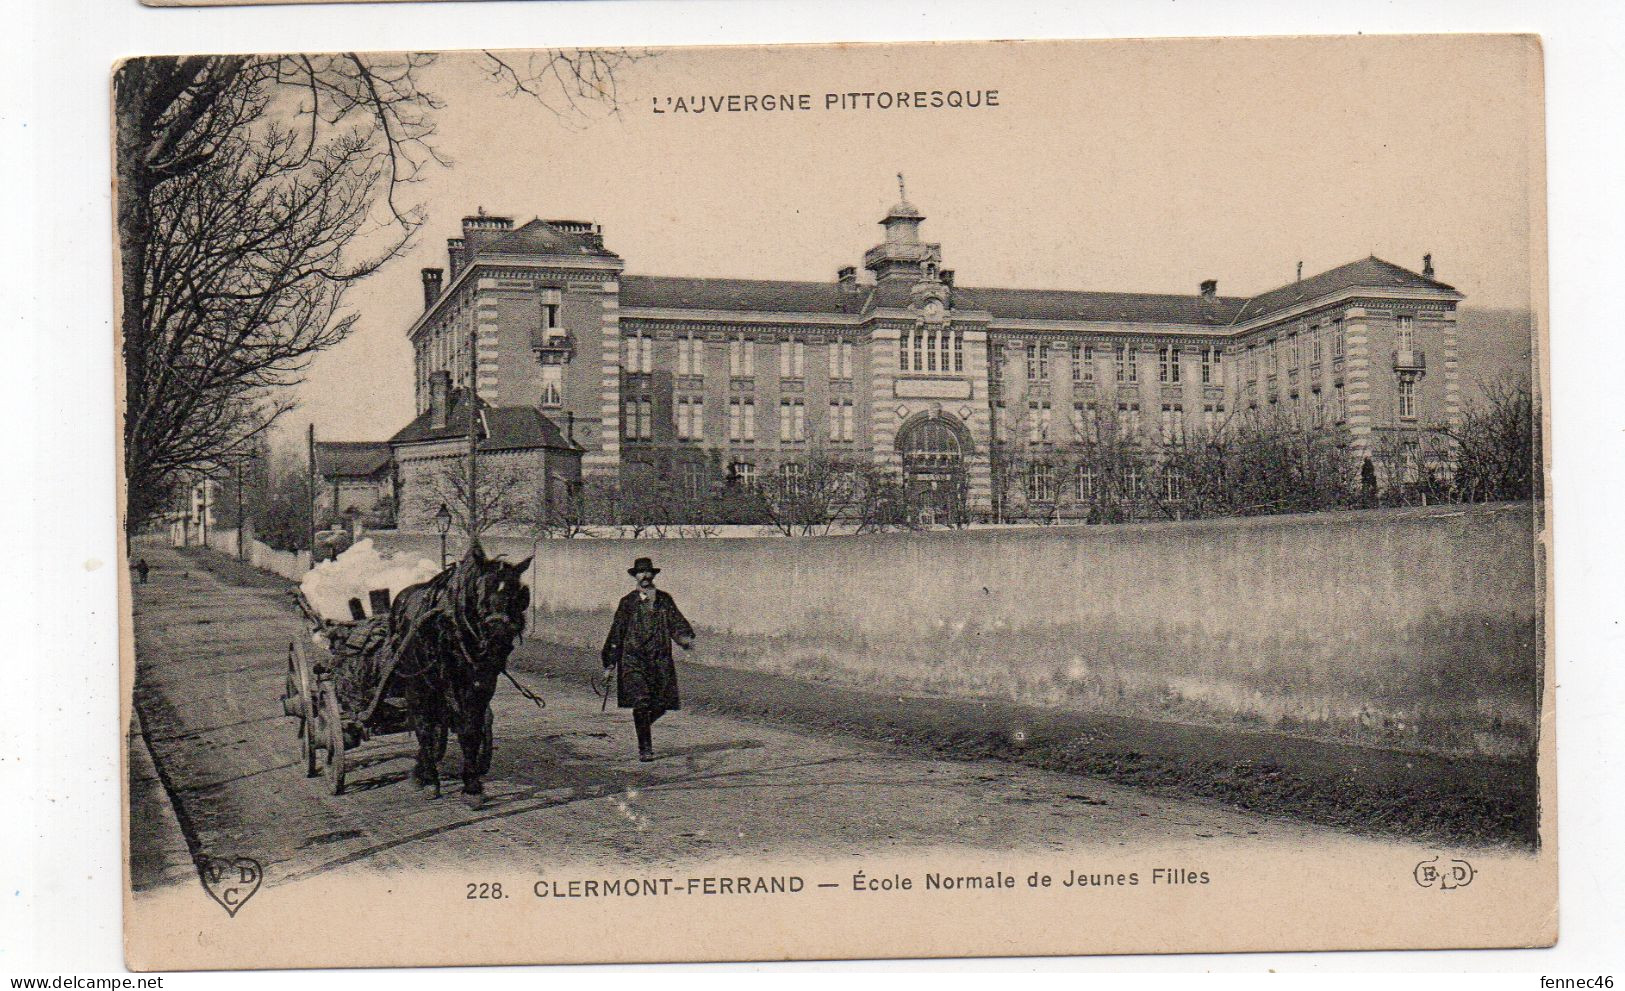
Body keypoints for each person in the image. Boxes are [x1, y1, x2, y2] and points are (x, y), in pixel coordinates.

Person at [601, 557, 694, 761]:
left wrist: (684, 638)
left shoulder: (664, 600)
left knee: (661, 704)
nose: (645, 576)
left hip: (659, 659)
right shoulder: (627, 603)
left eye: (648, 572)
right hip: (633, 659)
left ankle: (641, 724)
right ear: (635, 576)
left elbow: (676, 622)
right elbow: (617, 632)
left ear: (653, 575)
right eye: (641, 572)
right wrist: (610, 663)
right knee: (641, 702)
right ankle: (645, 748)